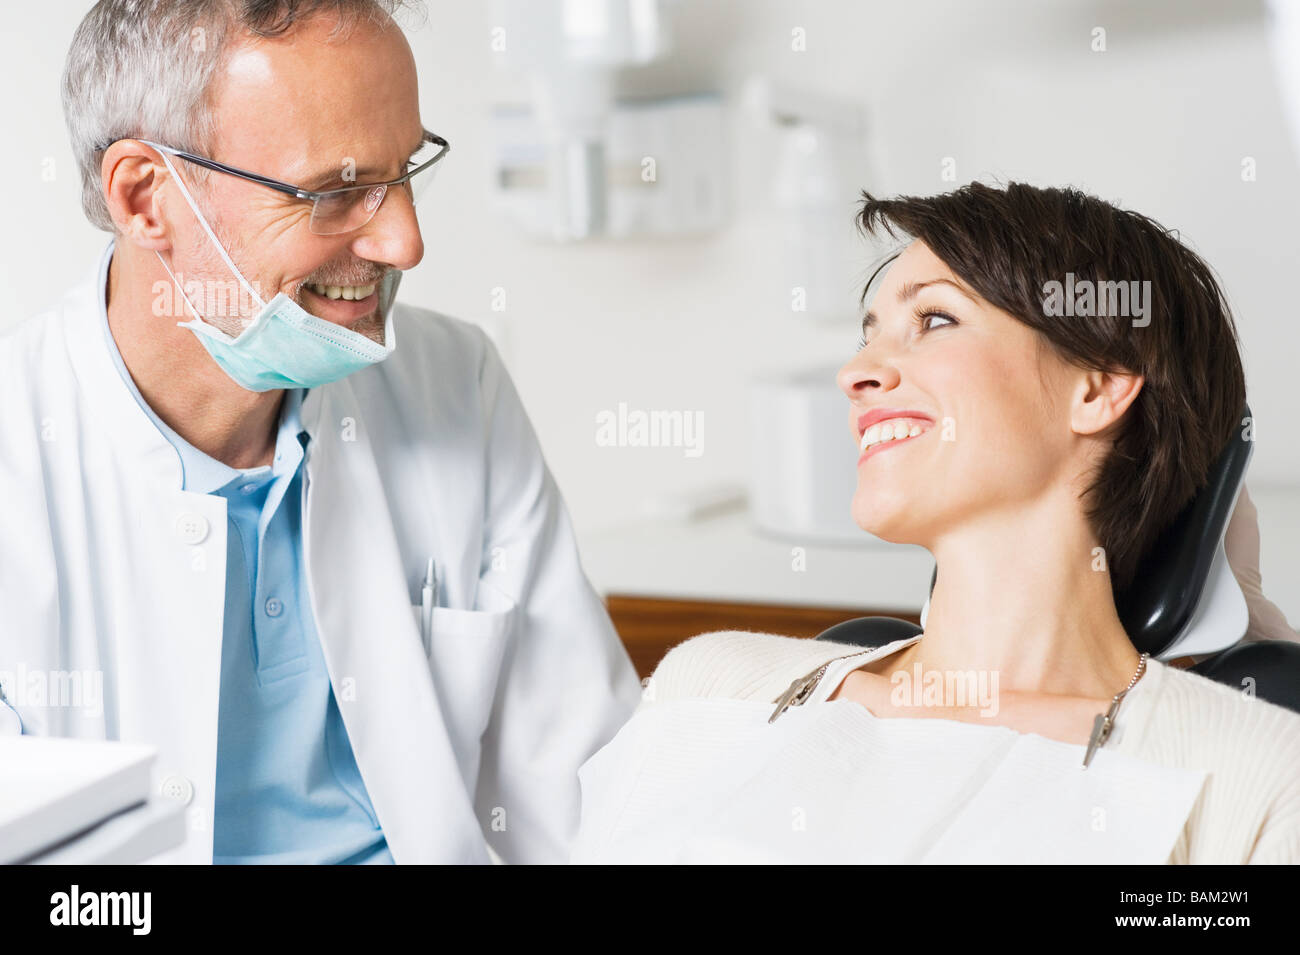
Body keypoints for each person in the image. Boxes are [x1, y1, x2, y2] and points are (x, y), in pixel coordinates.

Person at [0, 0, 641, 864]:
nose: (406, 241)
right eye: (337, 193)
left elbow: (589, 791)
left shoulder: (457, 384)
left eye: (406, 170)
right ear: (146, 196)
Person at [571, 182, 1300, 864]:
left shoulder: (1252, 769)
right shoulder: (715, 684)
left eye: (935, 319)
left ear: (1100, 385)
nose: (857, 370)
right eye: (871, 332)